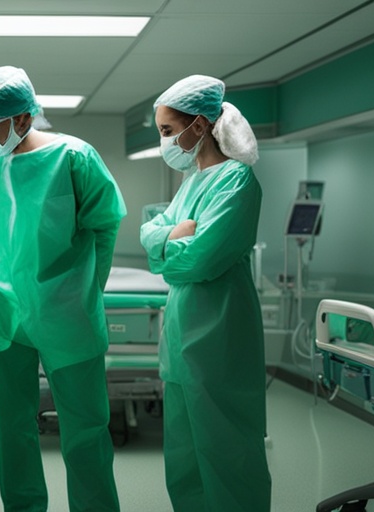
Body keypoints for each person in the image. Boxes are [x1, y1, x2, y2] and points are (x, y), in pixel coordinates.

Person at [0, 66, 126, 512]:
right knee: (14, 429)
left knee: (85, 431)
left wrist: (87, 292)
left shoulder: (73, 158)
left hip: (68, 316)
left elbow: (105, 225)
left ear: (24, 117)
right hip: (4, 317)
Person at [139, 75, 271, 511]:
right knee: (184, 459)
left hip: (220, 341)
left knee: (229, 454)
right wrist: (168, 240)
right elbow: (152, 241)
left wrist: (165, 243)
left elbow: (200, 260)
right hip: (180, 344)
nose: (165, 142)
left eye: (167, 131)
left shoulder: (237, 182)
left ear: (199, 126)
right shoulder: (190, 185)